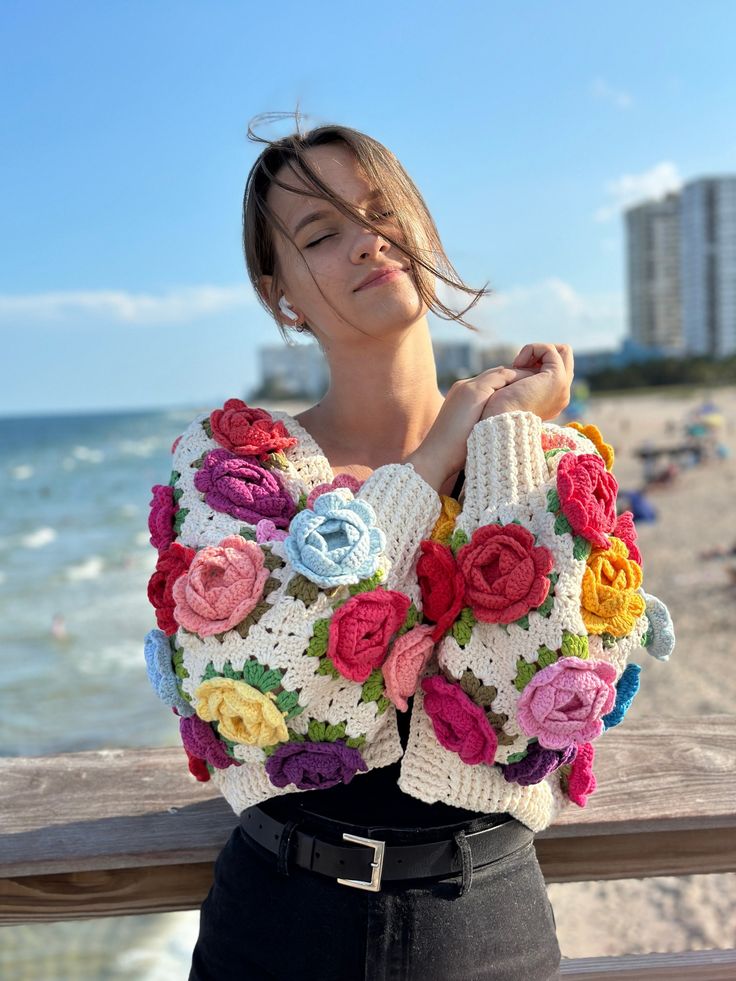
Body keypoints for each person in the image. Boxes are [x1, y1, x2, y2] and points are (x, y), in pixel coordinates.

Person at [144, 115, 672, 980]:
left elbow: (524, 701)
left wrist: (500, 442)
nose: (367, 242)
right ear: (283, 296)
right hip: (277, 924)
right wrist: (428, 466)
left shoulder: (559, 465)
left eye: (383, 212)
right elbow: (292, 677)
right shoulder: (231, 466)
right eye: (322, 233)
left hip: (487, 927)